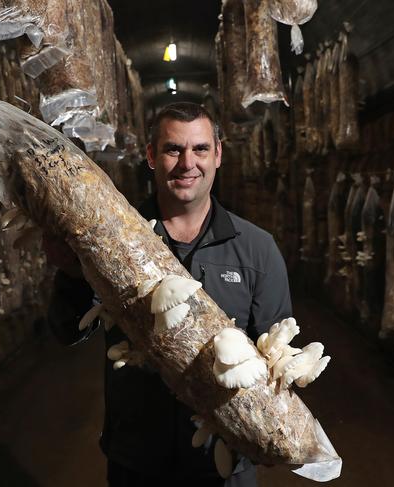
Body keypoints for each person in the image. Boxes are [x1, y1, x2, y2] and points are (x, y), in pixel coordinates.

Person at [45, 102, 292, 487]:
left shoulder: (257, 251)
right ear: (151, 156)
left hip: (224, 466)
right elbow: (67, 331)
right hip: (138, 459)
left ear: (219, 155)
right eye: (173, 149)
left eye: (201, 149)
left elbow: (280, 369)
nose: (187, 163)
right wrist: (71, 274)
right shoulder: (112, 238)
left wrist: (274, 438)